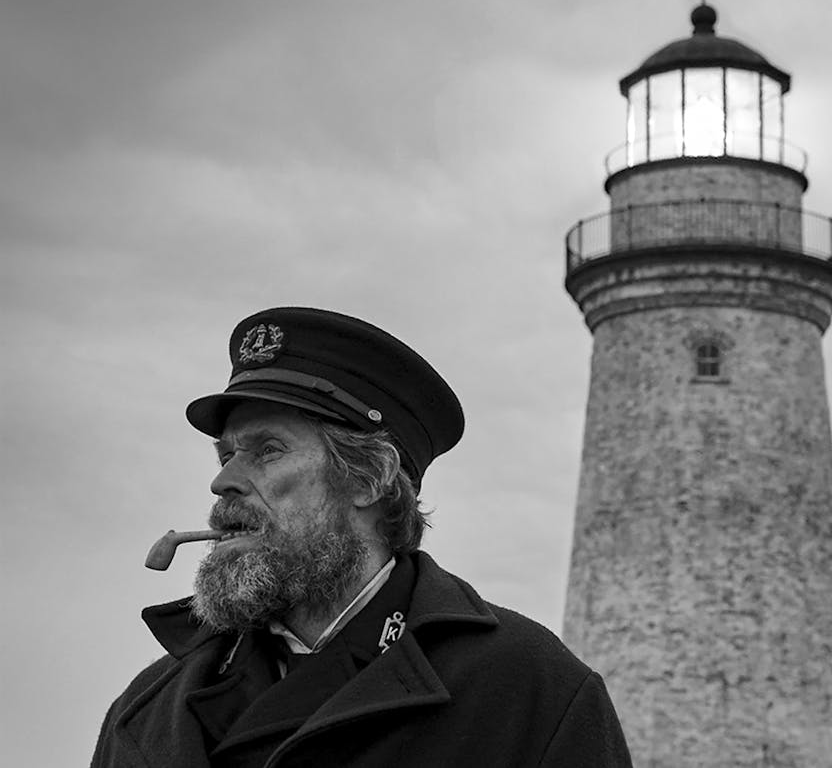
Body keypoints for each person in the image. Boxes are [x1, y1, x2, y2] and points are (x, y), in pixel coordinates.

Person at [92, 307, 632, 767]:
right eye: (226, 454)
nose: (222, 481)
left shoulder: (530, 689)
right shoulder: (148, 708)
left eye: (267, 451)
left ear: (370, 479)